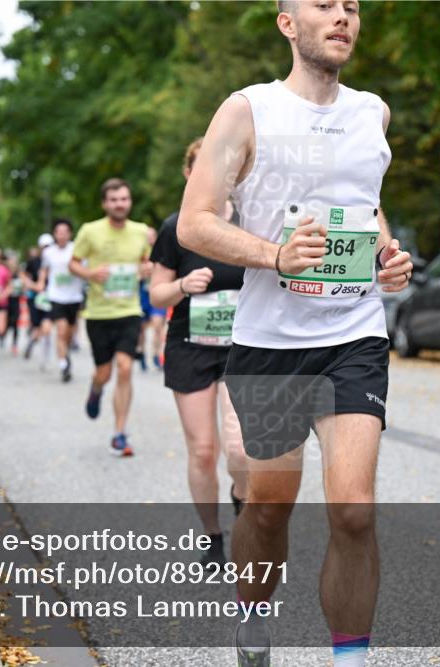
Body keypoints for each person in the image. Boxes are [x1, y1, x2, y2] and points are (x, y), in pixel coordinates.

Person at [176, 2, 413, 665]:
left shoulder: (373, 113)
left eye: (353, 7)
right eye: (325, 5)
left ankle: (350, 657)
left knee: (354, 509)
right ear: (287, 24)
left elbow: (364, 205)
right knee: (270, 504)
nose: (343, 17)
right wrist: (273, 253)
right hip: (271, 342)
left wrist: (387, 257)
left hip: (354, 334)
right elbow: (195, 222)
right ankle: (253, 616)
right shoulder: (247, 110)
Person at [150, 138, 249, 568]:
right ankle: (212, 536)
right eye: (203, 166)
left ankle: (242, 502)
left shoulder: (249, 221)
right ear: (191, 175)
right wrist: (181, 287)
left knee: (242, 449)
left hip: (242, 347)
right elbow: (156, 294)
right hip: (190, 344)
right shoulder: (176, 228)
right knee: (204, 450)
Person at [68, 178, 152, 456]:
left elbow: (146, 262)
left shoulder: (140, 232)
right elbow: (73, 263)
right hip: (98, 313)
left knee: (126, 368)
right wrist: (90, 274)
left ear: (130, 202)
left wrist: (146, 269)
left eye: (124, 199)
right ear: (105, 203)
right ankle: (96, 388)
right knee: (104, 372)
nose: (120, 204)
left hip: (128, 310)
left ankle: (119, 432)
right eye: (114, 200)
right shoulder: (90, 231)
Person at [37, 219, 86, 383]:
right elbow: (44, 270)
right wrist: (41, 284)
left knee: (69, 334)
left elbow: (84, 269)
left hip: (74, 297)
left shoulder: (77, 250)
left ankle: (66, 355)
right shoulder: (48, 252)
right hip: (56, 296)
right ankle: (63, 364)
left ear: (70, 234)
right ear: (54, 234)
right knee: (61, 330)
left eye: (65, 232)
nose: (62, 235)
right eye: (59, 232)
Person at [137, 226, 167, 371]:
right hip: (143, 294)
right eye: (146, 236)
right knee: (141, 328)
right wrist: (142, 271)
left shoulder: (162, 252)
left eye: (151, 236)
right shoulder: (138, 253)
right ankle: (142, 352)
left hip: (157, 293)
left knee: (157, 326)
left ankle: (156, 354)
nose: (149, 239)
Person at [23, 234, 55, 368]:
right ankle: (32, 340)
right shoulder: (34, 261)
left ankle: (45, 357)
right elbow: (23, 275)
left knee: (47, 328)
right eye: (44, 247)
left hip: (51, 297)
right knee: (37, 328)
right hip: (35, 298)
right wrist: (32, 285)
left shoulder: (56, 261)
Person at [5, 252, 24, 356]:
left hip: (16, 302)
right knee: (7, 324)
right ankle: (2, 337)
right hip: (6, 302)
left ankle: (14, 345)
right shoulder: (5, 274)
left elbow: (24, 287)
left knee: (16, 323)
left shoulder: (20, 275)